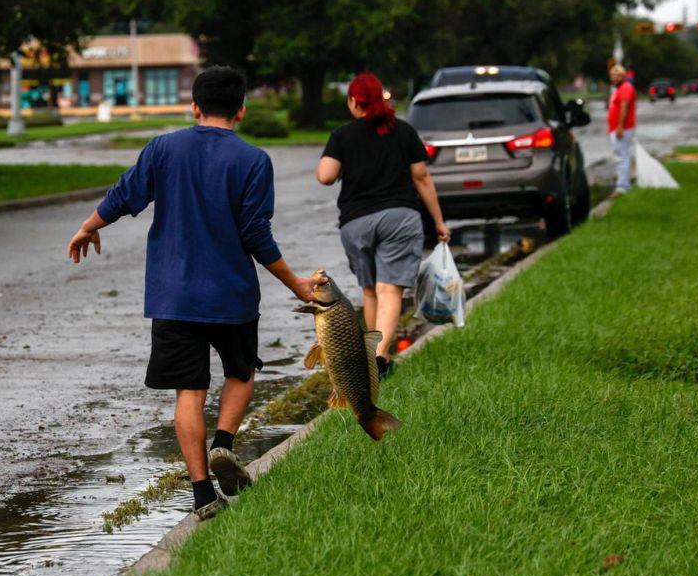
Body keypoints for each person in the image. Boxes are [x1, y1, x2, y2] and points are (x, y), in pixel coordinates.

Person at [67, 66, 316, 520]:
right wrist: (295, 283)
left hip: (174, 296)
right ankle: (224, 444)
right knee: (241, 373)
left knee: (189, 391)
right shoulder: (254, 160)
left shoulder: (163, 149)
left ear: (195, 107)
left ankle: (202, 495)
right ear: (241, 109)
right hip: (232, 296)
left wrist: (88, 226)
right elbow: (256, 235)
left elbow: (124, 195)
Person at [316, 72, 450, 378]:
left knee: (370, 290)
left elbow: (325, 175)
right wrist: (439, 222)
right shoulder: (402, 131)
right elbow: (421, 177)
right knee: (390, 289)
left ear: (353, 102)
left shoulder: (342, 135)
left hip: (356, 222)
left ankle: (375, 356)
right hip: (400, 218)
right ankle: (380, 355)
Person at [608, 63, 637, 194]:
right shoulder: (619, 88)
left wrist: (620, 127)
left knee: (622, 157)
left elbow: (624, 108)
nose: (612, 78)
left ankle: (622, 186)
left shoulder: (625, 88)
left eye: (615, 75)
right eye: (612, 75)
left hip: (623, 129)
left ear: (621, 76)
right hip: (616, 128)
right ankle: (623, 183)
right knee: (621, 155)